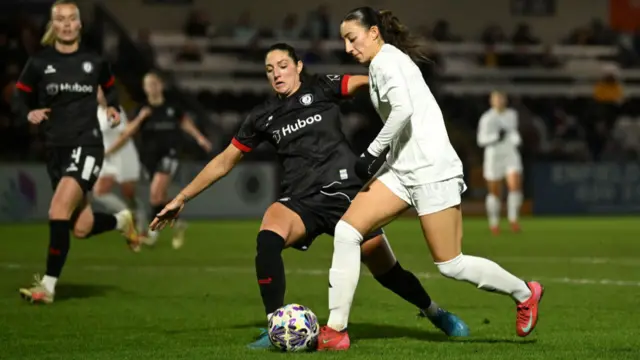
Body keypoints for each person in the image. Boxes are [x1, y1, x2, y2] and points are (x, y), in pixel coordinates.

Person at [149, 42, 470, 349]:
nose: (277, 73)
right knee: (268, 239)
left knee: (389, 272)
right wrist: (181, 198)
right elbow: (223, 161)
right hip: (301, 200)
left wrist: (400, 85)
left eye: (283, 66)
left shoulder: (321, 87)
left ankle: (435, 313)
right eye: (269, 69)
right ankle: (277, 325)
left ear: (299, 67)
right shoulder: (262, 116)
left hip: (346, 196)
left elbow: (367, 81)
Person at [317, 8, 544, 351]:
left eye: (352, 38)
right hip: (401, 169)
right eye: (344, 41)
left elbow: (404, 110)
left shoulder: (386, 62)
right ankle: (335, 331)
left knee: (451, 264)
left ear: (374, 32)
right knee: (348, 232)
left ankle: (525, 293)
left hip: (431, 170)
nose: (348, 47)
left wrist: (370, 153)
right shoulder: (383, 62)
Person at [13, 0, 140, 304]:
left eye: (72, 19)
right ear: (53, 25)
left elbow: (110, 89)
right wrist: (28, 113)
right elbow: (20, 97)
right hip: (55, 149)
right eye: (61, 19)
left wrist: (111, 107)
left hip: (87, 145)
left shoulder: (94, 61)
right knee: (81, 227)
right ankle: (122, 221)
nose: (67, 24)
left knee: (57, 210)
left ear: (79, 24)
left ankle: (47, 286)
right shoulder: (40, 63)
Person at [105, 72, 212, 249]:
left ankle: (152, 233)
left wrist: (199, 138)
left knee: (155, 193)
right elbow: (128, 133)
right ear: (145, 88)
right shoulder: (142, 110)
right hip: (149, 158)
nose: (152, 87)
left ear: (160, 86)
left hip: (170, 153)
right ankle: (178, 223)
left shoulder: (172, 107)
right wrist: (140, 119)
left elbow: (185, 122)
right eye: (148, 84)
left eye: (155, 83)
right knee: (160, 197)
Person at [93, 87, 146, 233]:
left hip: (124, 155)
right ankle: (127, 216)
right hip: (108, 159)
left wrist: (108, 151)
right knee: (99, 192)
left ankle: (142, 223)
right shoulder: (96, 112)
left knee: (129, 194)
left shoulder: (116, 110)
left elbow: (125, 136)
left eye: (101, 90)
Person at [477, 91, 523, 234]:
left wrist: (516, 139)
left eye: (501, 98)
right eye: (496, 99)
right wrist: (496, 137)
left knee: (514, 186)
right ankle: (494, 222)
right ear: (491, 101)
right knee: (494, 192)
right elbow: (481, 140)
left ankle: (513, 219)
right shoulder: (486, 118)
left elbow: (513, 131)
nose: (499, 101)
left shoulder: (512, 115)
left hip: (510, 154)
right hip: (493, 156)